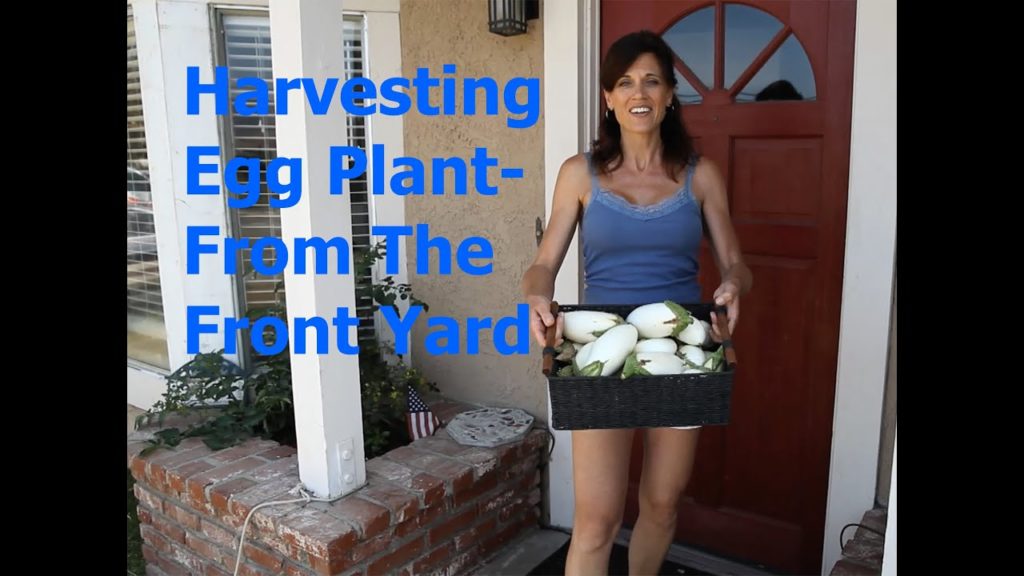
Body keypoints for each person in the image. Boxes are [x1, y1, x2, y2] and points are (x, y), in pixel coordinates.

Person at [520, 30, 752, 576]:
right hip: (600, 352)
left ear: (671, 95)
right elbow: (544, 262)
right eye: (624, 82)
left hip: (680, 349)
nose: (637, 92)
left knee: (662, 505)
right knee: (596, 520)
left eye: (651, 80)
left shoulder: (702, 176)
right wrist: (535, 294)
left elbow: (737, 263)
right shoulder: (580, 174)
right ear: (608, 98)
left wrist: (735, 285)